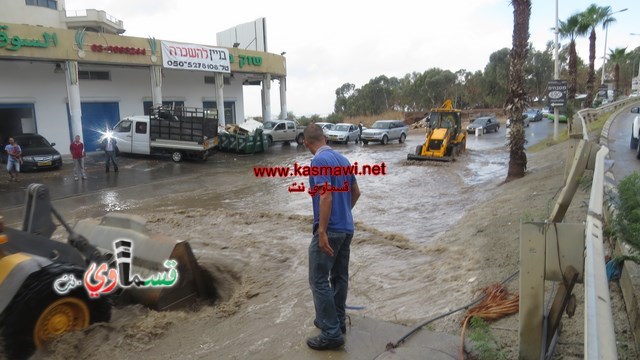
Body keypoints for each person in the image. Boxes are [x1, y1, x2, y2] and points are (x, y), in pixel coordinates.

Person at [302, 123, 360, 351]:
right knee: (339, 276)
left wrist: (323, 231)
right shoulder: (343, 161)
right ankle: (337, 321)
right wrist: (344, 214)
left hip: (331, 229)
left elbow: (325, 196)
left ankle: (331, 332)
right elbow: (356, 192)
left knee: (318, 279)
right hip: (346, 228)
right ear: (325, 138)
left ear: (306, 143)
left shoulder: (318, 161)